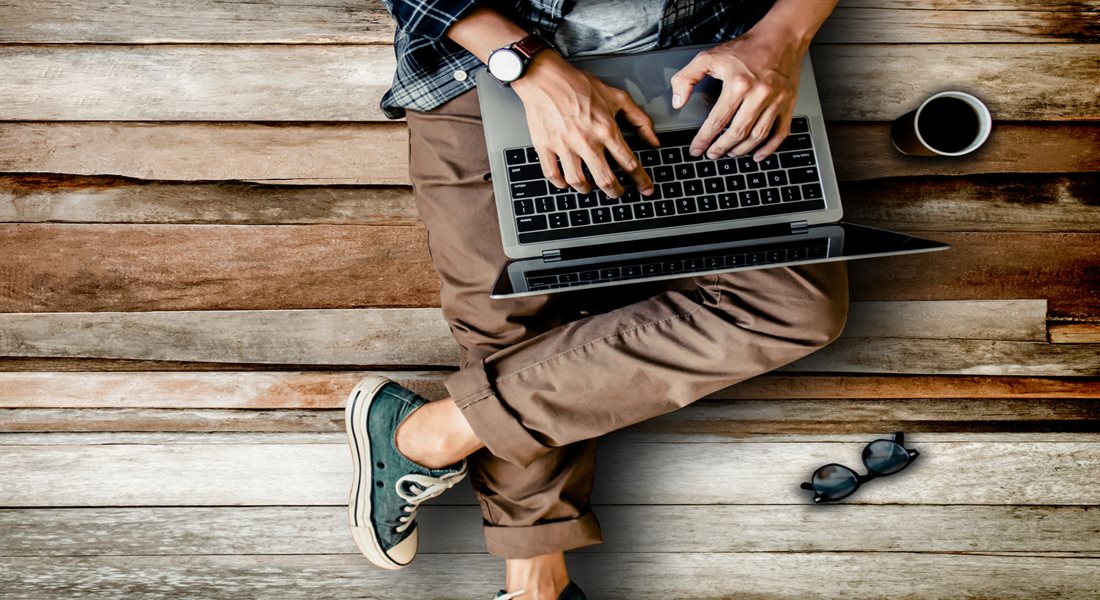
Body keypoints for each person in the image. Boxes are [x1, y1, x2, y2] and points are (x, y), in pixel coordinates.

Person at [346, 1, 845, 598]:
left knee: (793, 307)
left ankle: (428, 434)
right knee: (505, 313)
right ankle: (537, 581)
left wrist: (783, 36)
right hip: (476, 67)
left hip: (700, 69)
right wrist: (528, 66)